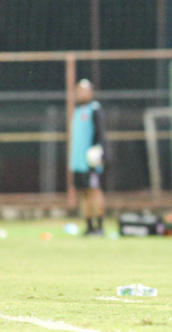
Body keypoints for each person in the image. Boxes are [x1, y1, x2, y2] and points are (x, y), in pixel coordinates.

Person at [69, 79, 107, 236]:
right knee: (83, 193)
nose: (81, 94)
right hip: (77, 162)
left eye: (84, 91)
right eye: (78, 91)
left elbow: (101, 134)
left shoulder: (94, 109)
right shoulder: (77, 111)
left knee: (94, 192)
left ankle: (100, 226)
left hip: (90, 161)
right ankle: (89, 226)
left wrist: (100, 154)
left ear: (90, 92)